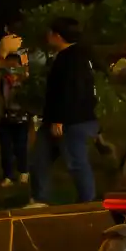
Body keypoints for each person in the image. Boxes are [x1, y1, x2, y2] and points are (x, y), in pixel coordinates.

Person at [28, 15, 98, 208]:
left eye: (50, 33)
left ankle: (88, 203)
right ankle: (39, 198)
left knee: (76, 162)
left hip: (71, 122)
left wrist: (59, 119)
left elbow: (70, 90)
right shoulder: (71, 56)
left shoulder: (72, 58)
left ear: (57, 36)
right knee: (39, 159)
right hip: (60, 120)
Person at [0, 33, 32, 187]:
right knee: (5, 148)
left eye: (14, 62)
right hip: (6, 116)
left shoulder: (25, 81)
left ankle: (23, 171)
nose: (11, 66)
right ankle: (8, 175)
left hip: (21, 118)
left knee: (20, 146)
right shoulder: (2, 80)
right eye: (9, 62)